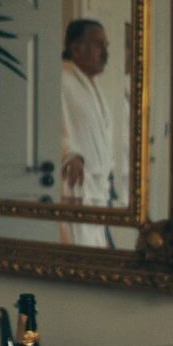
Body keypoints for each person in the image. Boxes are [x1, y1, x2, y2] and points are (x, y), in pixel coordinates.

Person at [59, 19, 115, 248]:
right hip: (74, 190)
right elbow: (48, 124)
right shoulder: (61, 80)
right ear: (76, 48)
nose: (105, 53)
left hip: (98, 194)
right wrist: (68, 153)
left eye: (106, 45)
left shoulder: (93, 87)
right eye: (99, 45)